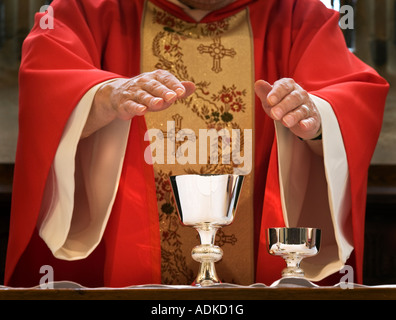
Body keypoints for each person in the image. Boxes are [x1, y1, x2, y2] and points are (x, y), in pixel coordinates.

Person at [5, 0, 389, 287]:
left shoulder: (298, 15)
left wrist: (316, 120)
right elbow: (46, 75)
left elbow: (351, 96)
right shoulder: (86, 9)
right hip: (122, 272)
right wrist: (102, 98)